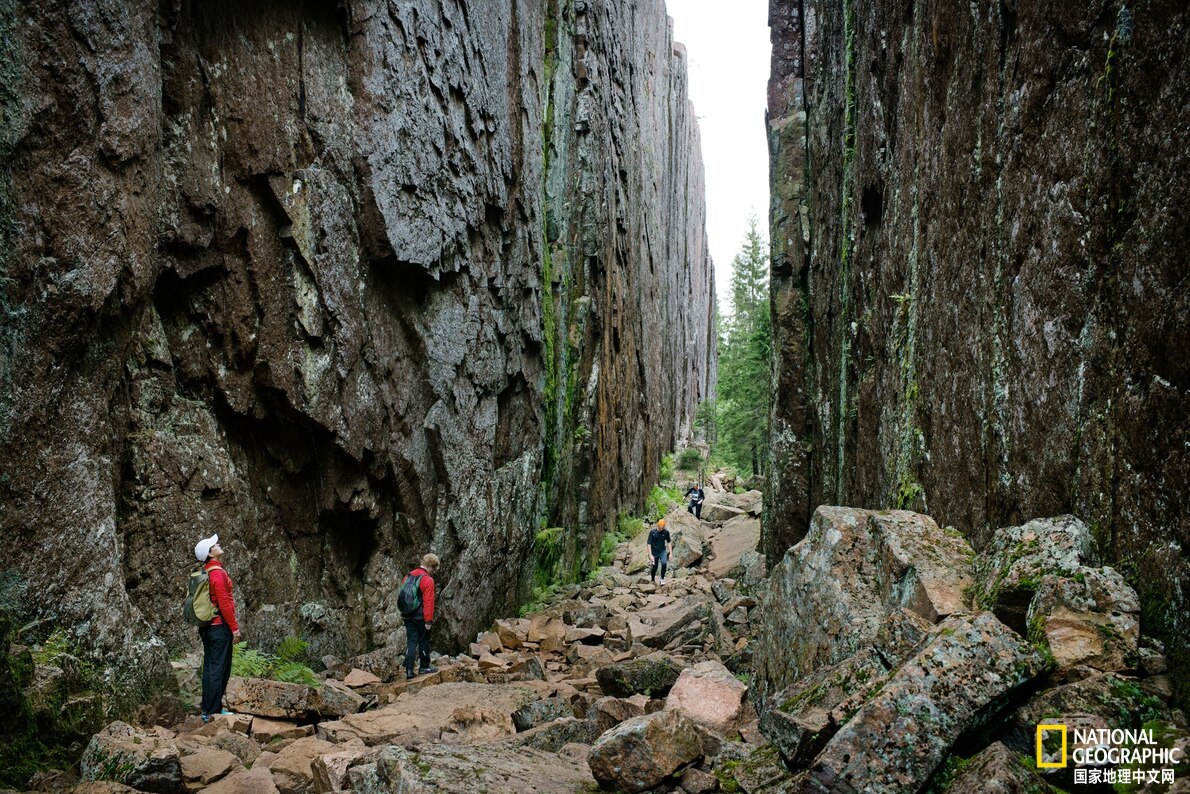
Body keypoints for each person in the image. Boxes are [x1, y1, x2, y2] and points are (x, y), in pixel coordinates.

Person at [194, 534, 240, 722]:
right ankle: (212, 712)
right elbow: (225, 603)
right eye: (214, 545)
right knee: (219, 668)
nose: (218, 544)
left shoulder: (205, 573)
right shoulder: (218, 574)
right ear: (210, 553)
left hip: (208, 627)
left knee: (212, 666)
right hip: (219, 627)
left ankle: (209, 709)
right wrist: (234, 628)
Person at [401, 553, 440, 680]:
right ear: (432, 567)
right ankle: (424, 666)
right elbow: (428, 602)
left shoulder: (408, 576)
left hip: (407, 615)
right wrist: (428, 621)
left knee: (411, 641)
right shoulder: (427, 579)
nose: (433, 572)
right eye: (434, 569)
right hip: (420, 616)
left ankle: (409, 670)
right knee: (423, 640)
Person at [647, 519, 672, 586]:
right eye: (661, 527)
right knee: (655, 567)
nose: (662, 529)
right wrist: (650, 555)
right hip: (654, 552)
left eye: (663, 528)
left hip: (662, 551)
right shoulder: (652, 532)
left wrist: (670, 554)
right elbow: (649, 544)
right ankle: (652, 579)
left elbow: (669, 542)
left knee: (664, 563)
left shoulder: (666, 532)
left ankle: (662, 579)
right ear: (658, 525)